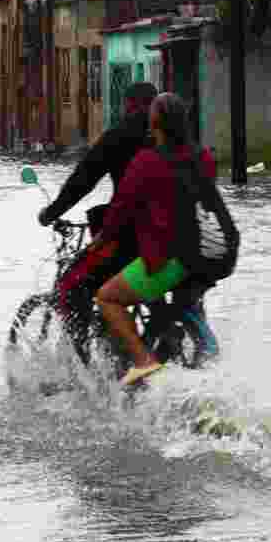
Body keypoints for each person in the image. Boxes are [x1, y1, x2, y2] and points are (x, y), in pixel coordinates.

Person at [89, 92, 217, 387]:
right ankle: (190, 348)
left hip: (171, 258)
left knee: (107, 296)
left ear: (154, 124)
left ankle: (144, 362)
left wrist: (101, 240)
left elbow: (121, 208)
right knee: (181, 300)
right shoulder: (204, 157)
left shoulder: (147, 161)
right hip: (207, 255)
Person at [36, 81, 159, 347]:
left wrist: (52, 212)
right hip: (178, 241)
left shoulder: (121, 135)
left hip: (131, 239)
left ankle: (80, 365)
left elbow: (84, 179)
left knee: (70, 288)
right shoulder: (178, 140)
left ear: (129, 105)